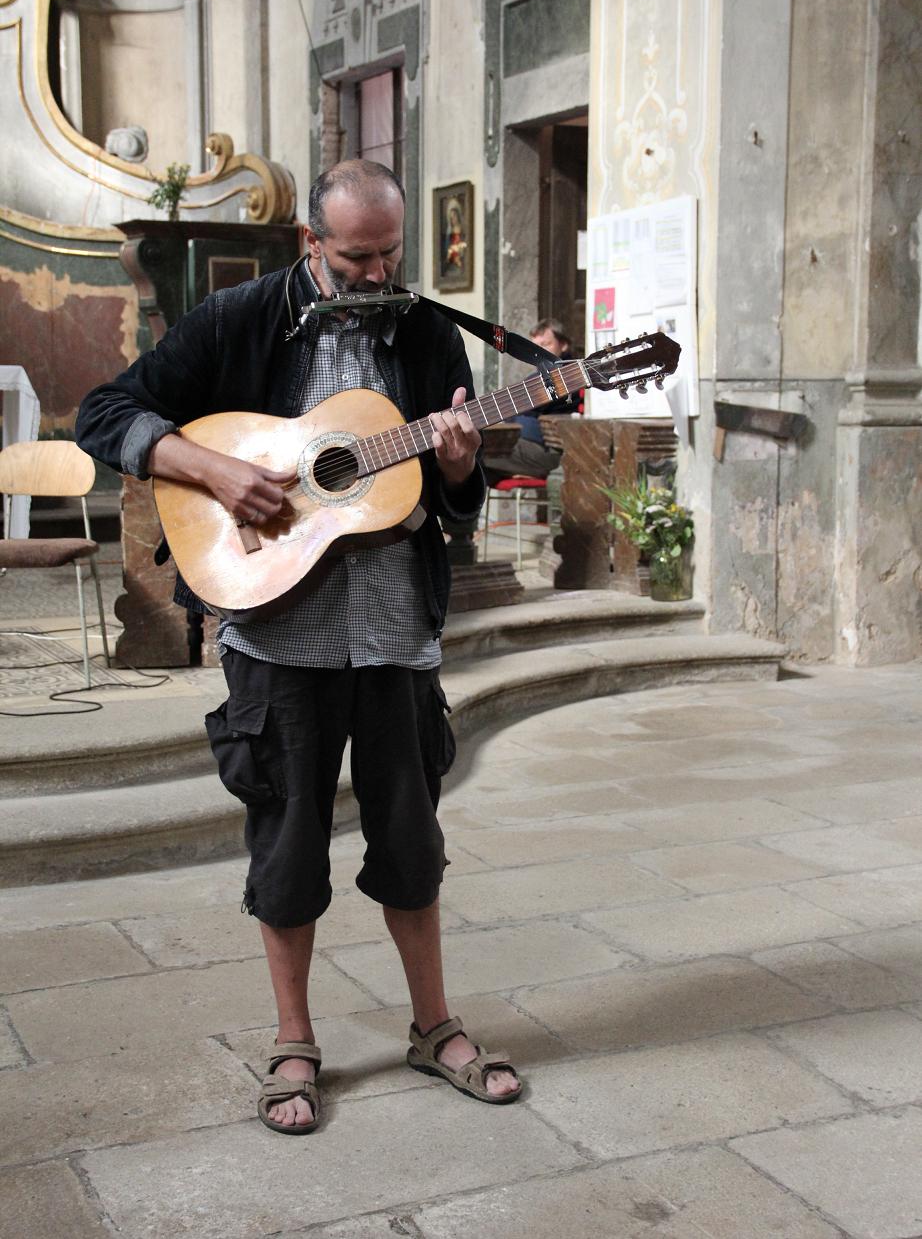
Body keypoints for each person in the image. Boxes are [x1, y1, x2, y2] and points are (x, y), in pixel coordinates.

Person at [76, 159, 522, 1134]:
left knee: (411, 842)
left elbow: (451, 494)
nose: (376, 273)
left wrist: (456, 465)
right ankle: (293, 1041)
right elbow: (102, 412)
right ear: (309, 244)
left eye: (389, 253)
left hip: (395, 637)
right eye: (356, 256)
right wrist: (213, 472)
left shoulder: (425, 329)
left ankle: (433, 1024)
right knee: (286, 847)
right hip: (278, 638)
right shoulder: (241, 318)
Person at [482, 320, 578, 484]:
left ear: (563, 345)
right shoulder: (540, 377)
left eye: (546, 344)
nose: (538, 351)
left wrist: (515, 418)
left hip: (552, 454)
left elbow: (516, 413)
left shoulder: (563, 376)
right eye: (535, 346)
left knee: (474, 453)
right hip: (529, 446)